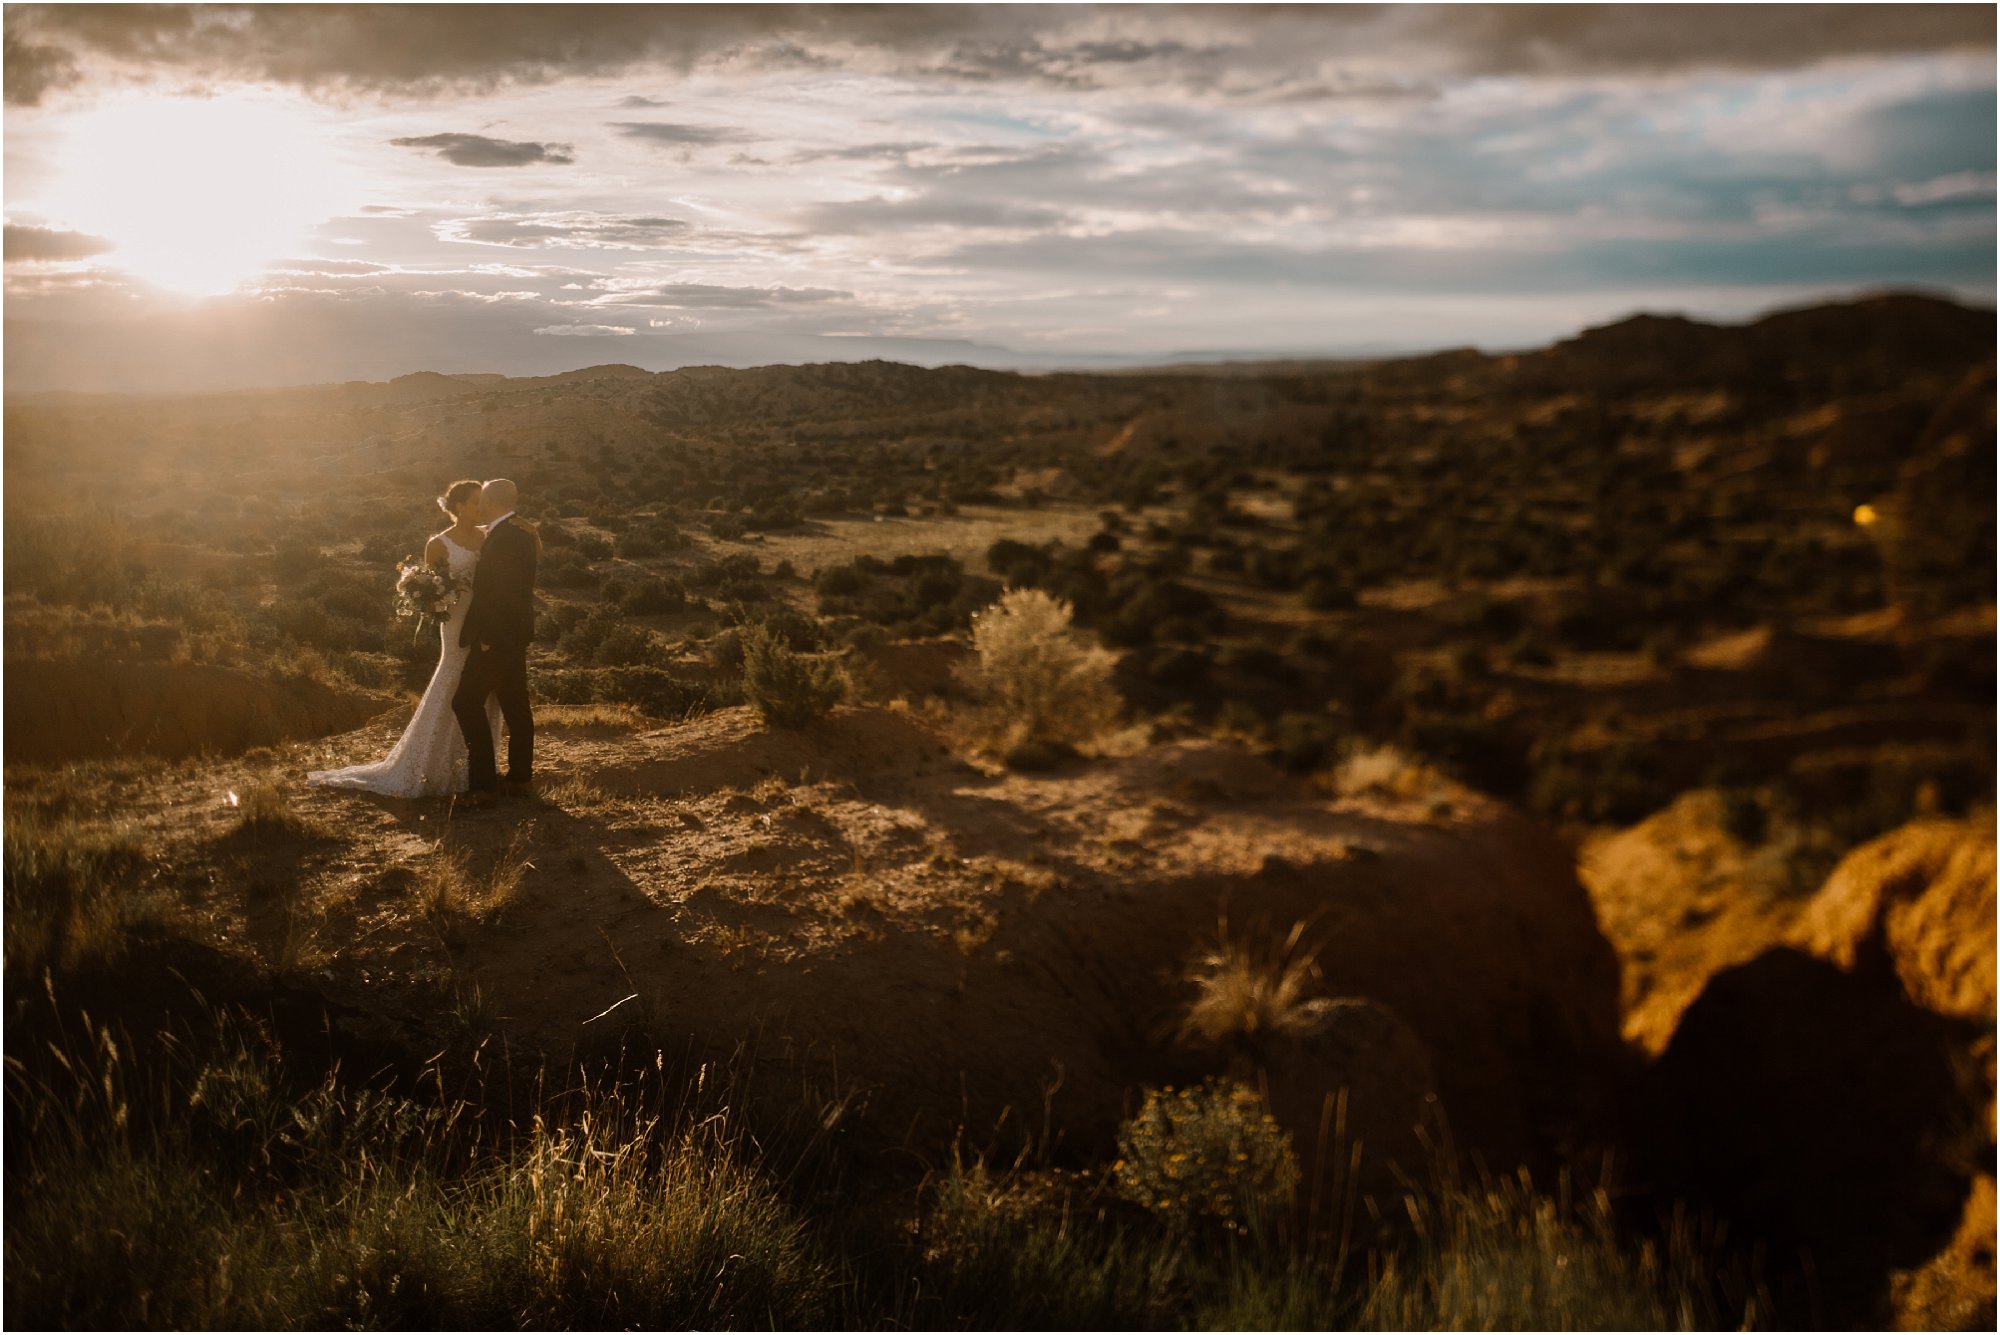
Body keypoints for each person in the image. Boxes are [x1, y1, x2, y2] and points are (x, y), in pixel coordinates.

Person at [308, 480, 502, 797]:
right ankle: (434, 765)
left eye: (483, 500)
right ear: (459, 507)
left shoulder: (489, 536)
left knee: (483, 686)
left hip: (485, 620)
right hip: (455, 621)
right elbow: (430, 592)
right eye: (476, 501)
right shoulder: (439, 544)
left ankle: (476, 766)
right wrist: (433, 598)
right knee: (453, 678)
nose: (482, 507)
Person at [451, 477, 539, 797]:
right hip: (515, 635)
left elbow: (502, 594)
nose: (480, 506)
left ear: (490, 502)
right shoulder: (520, 532)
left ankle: (484, 786)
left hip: (498, 638)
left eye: (483, 501)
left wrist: (488, 637)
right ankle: (520, 778)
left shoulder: (503, 539)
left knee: (465, 702)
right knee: (516, 706)